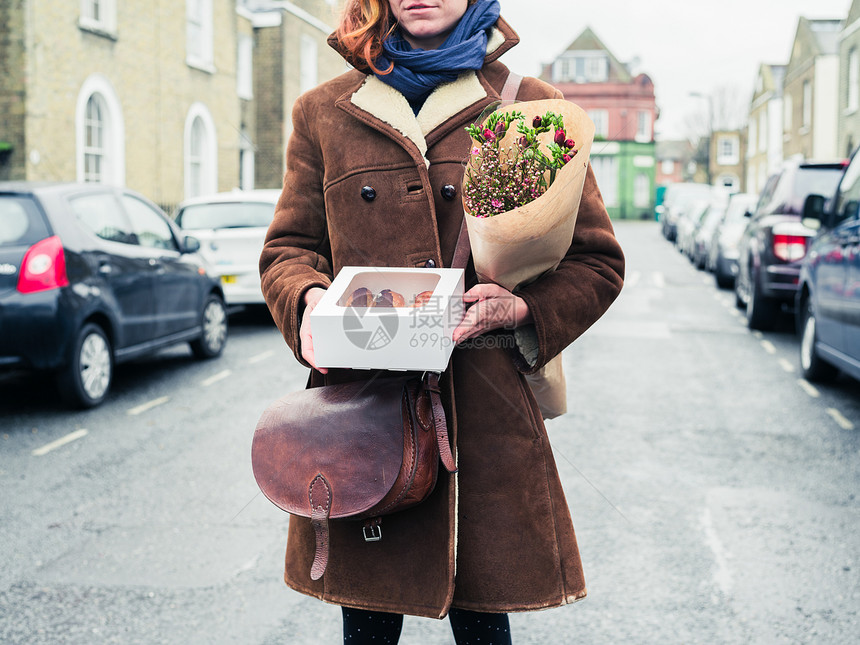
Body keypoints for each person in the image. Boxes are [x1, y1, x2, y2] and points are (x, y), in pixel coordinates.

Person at [259, 1, 625, 643]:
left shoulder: (528, 107)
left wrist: (525, 308)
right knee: (367, 625)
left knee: (484, 621)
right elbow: (288, 250)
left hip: (481, 412)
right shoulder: (324, 110)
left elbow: (597, 260)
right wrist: (307, 301)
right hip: (366, 411)